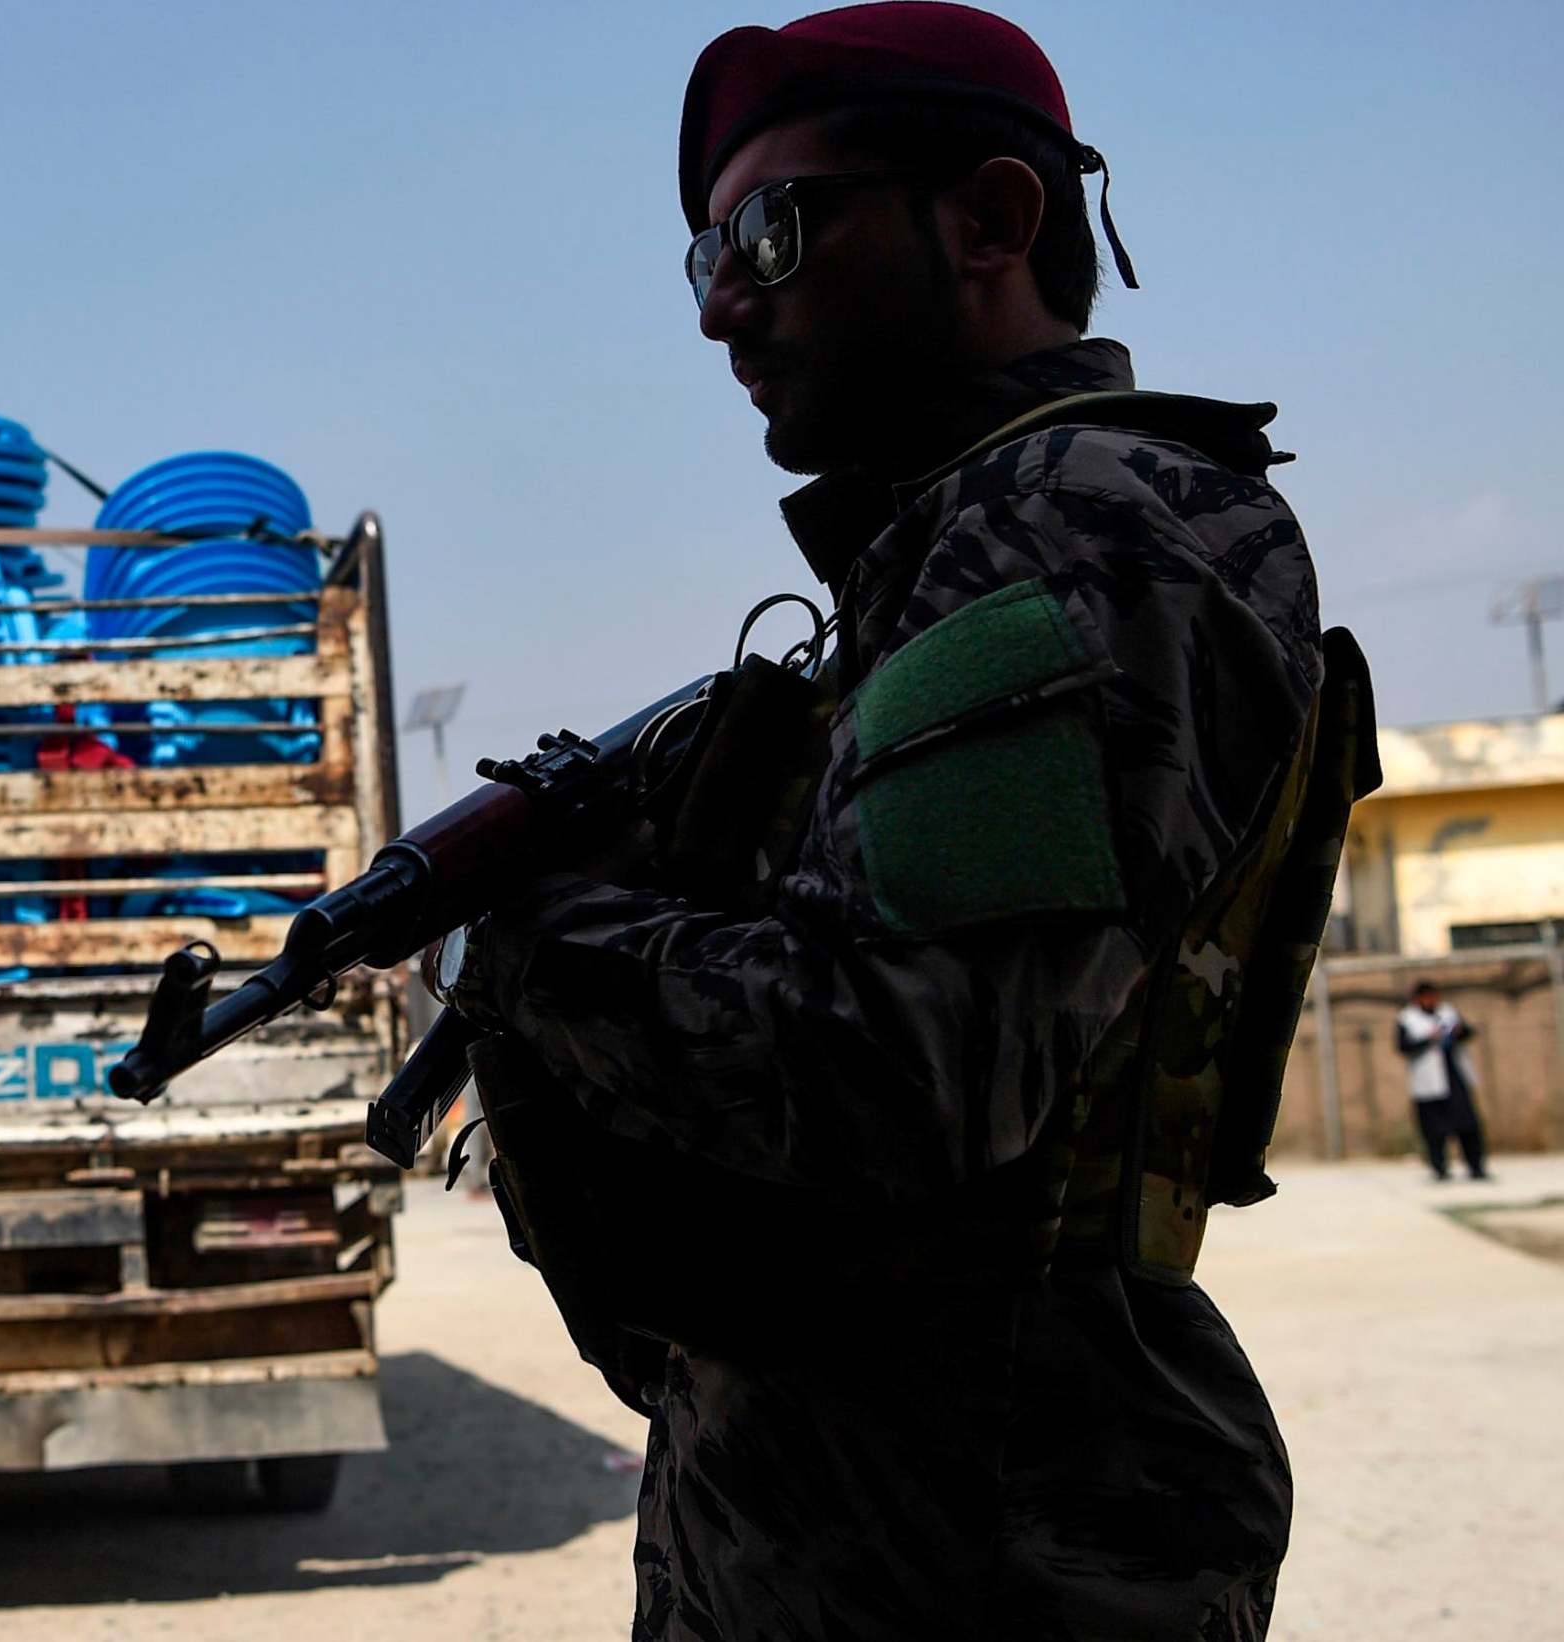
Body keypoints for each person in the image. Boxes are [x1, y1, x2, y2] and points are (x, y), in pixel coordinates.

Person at [446, 5, 1379, 1637]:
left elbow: (896, 1060)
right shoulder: (946, 559)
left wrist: (538, 931)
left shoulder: (1073, 523)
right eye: (698, 260)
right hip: (854, 1516)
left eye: (767, 230)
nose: (723, 302)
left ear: (988, 221)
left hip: (979, 1549)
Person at [1396, 980, 1490, 1181]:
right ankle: (1439, 1169)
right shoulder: (1407, 1019)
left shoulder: (1448, 1012)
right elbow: (1403, 1046)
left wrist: (1458, 1032)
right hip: (1427, 1084)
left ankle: (1476, 1167)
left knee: (1468, 1126)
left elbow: (1468, 1033)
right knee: (1433, 1130)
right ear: (1418, 999)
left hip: (1454, 1078)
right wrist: (1429, 1038)